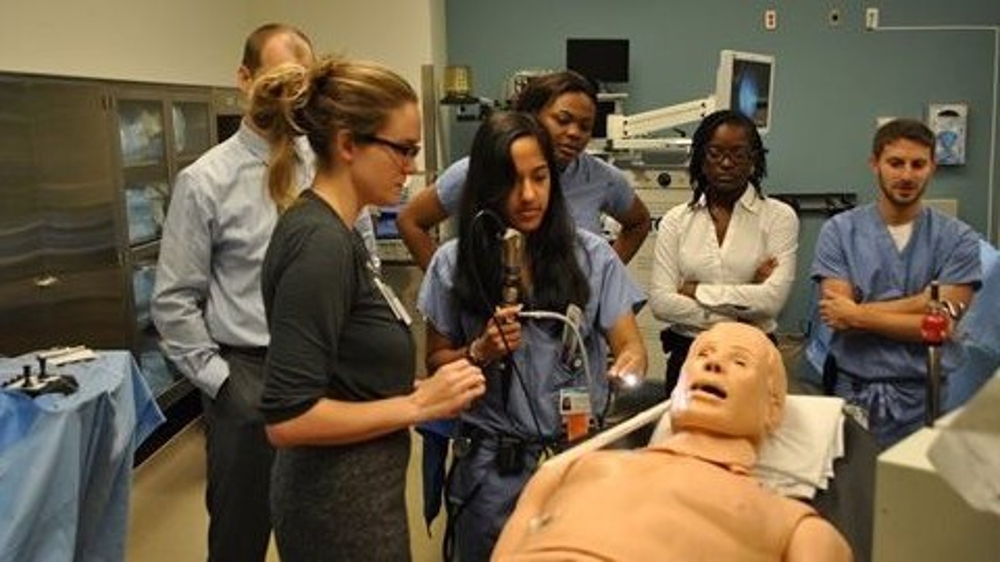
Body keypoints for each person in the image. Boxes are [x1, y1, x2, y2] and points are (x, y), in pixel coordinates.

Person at [150, 23, 381, 562]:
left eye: (300, 85)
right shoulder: (206, 181)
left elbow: (364, 263)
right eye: (276, 81)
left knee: (330, 529)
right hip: (248, 375)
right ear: (245, 79)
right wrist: (224, 382)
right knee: (239, 536)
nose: (289, 98)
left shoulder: (329, 167)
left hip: (330, 373)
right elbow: (173, 301)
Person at [250, 58, 487, 561]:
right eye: (402, 150)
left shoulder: (342, 232)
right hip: (335, 505)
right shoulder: (319, 244)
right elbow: (288, 418)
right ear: (347, 143)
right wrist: (419, 406)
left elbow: (346, 373)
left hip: (362, 491)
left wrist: (429, 389)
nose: (410, 166)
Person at [417, 111, 648, 561]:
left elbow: (631, 345)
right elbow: (436, 361)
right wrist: (479, 350)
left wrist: (629, 365)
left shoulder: (592, 256)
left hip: (574, 456)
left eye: (539, 177)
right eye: (511, 181)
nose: (528, 195)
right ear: (485, 186)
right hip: (491, 468)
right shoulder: (452, 263)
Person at [492, 322, 853, 562]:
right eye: (703, 356)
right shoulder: (569, 469)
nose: (712, 366)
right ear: (678, 386)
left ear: (774, 408)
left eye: (739, 362)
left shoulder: (792, 525)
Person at [811, 118, 980, 448]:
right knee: (854, 495)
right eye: (895, 163)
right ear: (875, 164)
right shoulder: (840, 232)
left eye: (918, 164)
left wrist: (858, 313)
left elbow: (941, 326)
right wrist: (921, 302)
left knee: (914, 494)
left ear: (933, 167)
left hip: (926, 396)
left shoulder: (958, 239)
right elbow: (836, 317)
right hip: (854, 393)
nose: (906, 175)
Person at [397, 70, 650, 269]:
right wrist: (445, 293)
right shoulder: (477, 170)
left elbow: (639, 223)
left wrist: (604, 279)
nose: (574, 133)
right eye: (563, 120)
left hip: (573, 323)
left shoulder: (600, 177)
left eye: (585, 126)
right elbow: (411, 221)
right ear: (531, 115)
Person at [650, 109, 798, 396]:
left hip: (752, 357)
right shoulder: (676, 220)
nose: (726, 163)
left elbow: (771, 301)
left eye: (738, 154)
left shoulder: (779, 217)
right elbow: (661, 303)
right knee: (684, 438)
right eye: (715, 153)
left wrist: (696, 291)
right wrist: (743, 308)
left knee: (753, 438)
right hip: (690, 357)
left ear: (753, 160)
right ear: (701, 160)